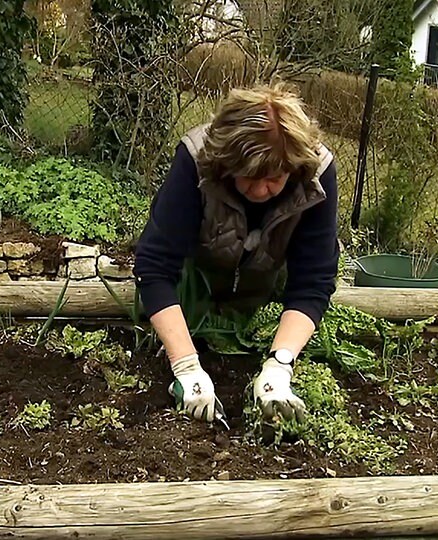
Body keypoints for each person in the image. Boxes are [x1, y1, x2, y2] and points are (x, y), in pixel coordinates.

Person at [133, 83, 339, 425]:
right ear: (227, 163)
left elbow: (313, 282)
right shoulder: (197, 159)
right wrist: (186, 367)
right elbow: (154, 266)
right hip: (195, 283)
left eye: (274, 179)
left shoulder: (315, 174)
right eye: (248, 177)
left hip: (268, 286)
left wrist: (279, 367)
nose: (260, 190)